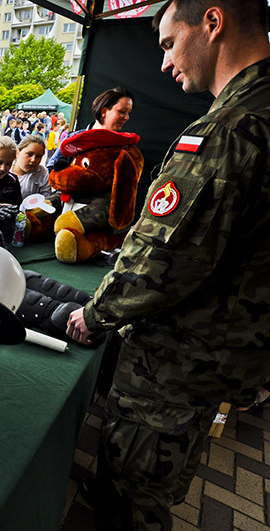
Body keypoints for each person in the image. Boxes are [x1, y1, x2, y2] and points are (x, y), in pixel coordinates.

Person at [65, 1, 270, 529]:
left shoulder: (230, 129)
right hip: (219, 356)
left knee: (136, 501)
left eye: (167, 43)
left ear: (212, 23)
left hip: (176, 363)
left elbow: (165, 257)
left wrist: (96, 313)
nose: (162, 64)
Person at [47, 86, 134, 172]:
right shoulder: (73, 139)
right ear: (104, 112)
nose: (127, 117)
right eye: (122, 112)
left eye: (128, 113)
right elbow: (51, 170)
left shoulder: (124, 145)